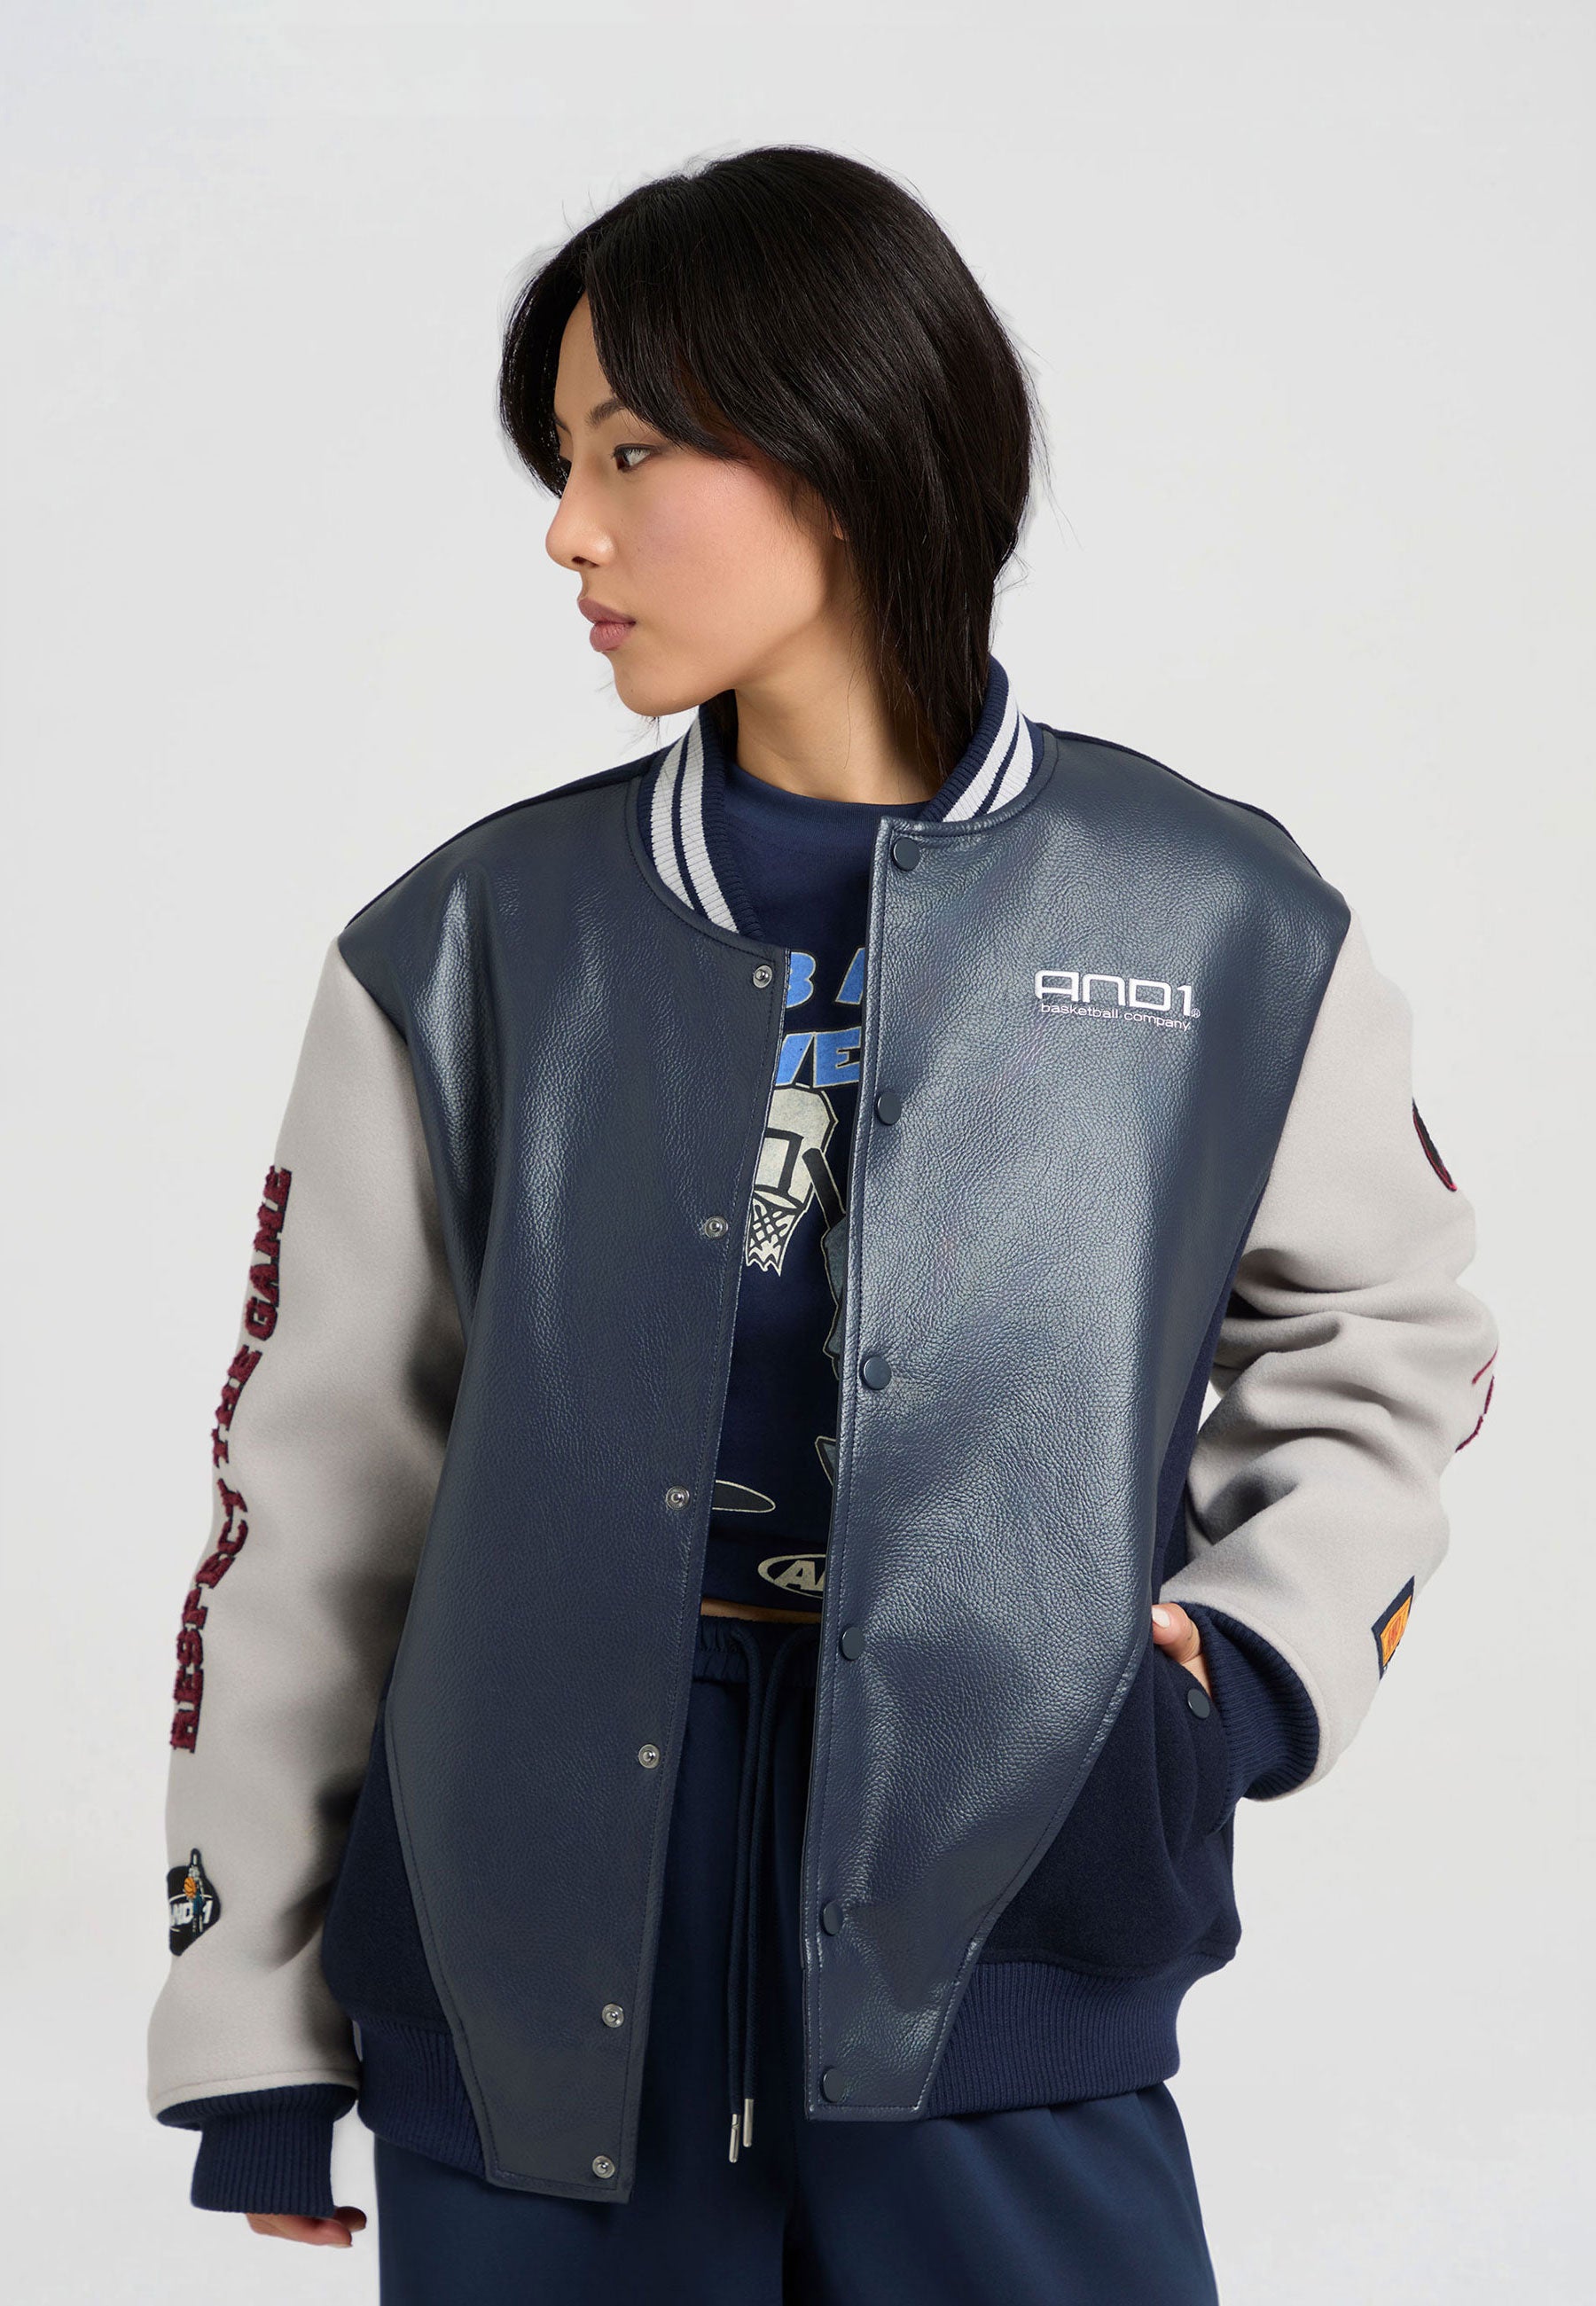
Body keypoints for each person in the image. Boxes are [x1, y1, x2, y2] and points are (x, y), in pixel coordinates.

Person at [145, 145, 1498, 2303]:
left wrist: (1247, 1663)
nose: (568, 528)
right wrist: (255, 2019)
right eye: (564, 460)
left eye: (628, 451)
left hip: (1011, 1898)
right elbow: (309, 1497)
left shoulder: (1219, 918)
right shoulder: (467, 943)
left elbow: (1391, 1332)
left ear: (843, 450)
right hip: (528, 1944)